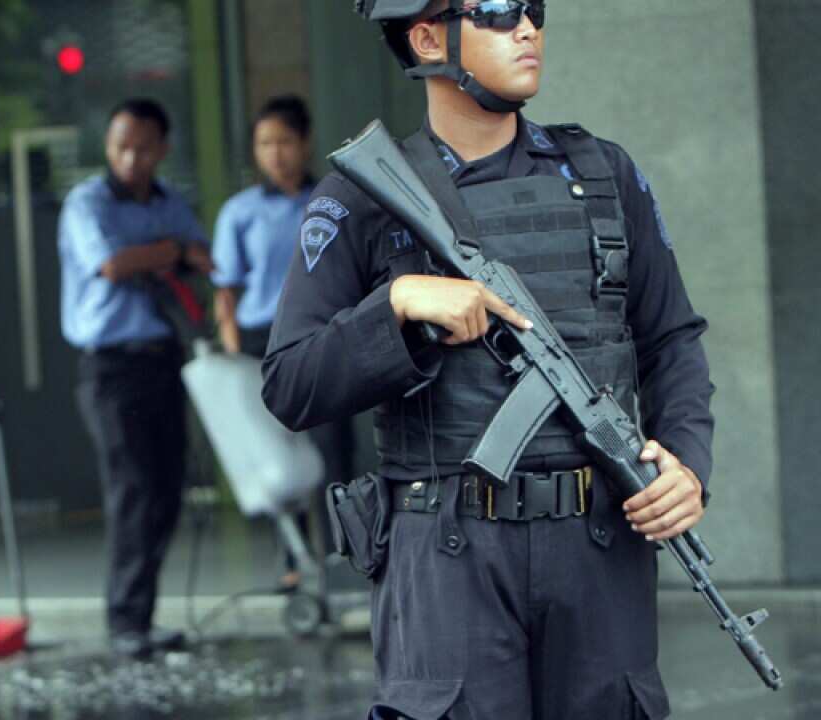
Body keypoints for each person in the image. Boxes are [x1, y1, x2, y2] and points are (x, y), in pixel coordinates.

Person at [262, 2, 714, 717]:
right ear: (425, 35)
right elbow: (290, 382)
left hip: (599, 543)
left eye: (534, 9)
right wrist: (398, 306)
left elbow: (672, 340)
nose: (528, 29)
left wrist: (686, 465)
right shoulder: (362, 199)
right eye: (499, 12)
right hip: (445, 551)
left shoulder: (604, 176)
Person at [58, 98, 213, 659]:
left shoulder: (171, 202)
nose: (131, 158)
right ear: (108, 147)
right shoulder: (87, 202)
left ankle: (142, 618)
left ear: (163, 150)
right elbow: (112, 264)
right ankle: (125, 621)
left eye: (143, 148)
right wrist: (168, 252)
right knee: (133, 489)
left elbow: (206, 257)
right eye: (121, 146)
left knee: (169, 489)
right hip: (110, 366)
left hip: (164, 358)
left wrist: (170, 254)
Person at [210, 95, 354, 590]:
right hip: (259, 343)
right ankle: (292, 562)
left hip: (323, 336)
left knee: (331, 450)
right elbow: (225, 291)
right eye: (265, 143)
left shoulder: (330, 201)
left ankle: (343, 556)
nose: (275, 153)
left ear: (305, 143)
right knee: (276, 456)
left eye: (284, 142)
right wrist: (231, 355)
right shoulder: (241, 212)